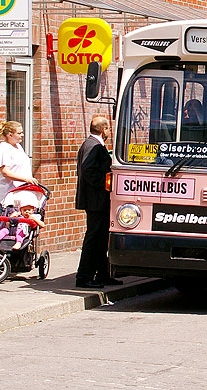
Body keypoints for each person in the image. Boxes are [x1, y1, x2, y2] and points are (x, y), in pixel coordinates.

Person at [75, 115, 119, 289]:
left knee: (101, 237)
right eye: (108, 128)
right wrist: (105, 184)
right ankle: (84, 276)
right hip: (95, 200)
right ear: (104, 129)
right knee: (93, 238)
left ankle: (102, 274)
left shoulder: (92, 145)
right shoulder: (93, 146)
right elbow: (88, 170)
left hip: (97, 199)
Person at [0, 121, 37, 209]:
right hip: (10, 195)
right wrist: (26, 179)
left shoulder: (18, 146)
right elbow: (5, 172)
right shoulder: (3, 149)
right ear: (10, 135)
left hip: (22, 192)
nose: (22, 135)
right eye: (19, 133)